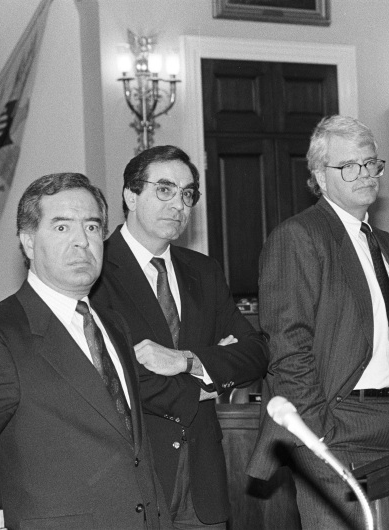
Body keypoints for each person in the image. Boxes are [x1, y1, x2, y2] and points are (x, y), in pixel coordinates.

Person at [0, 173, 168, 530]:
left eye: (92, 227)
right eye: (62, 228)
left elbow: (130, 446)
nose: (82, 242)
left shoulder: (115, 325)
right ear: (28, 241)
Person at [246, 115, 389, 529]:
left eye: (371, 163)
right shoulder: (300, 236)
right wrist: (317, 432)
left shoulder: (385, 243)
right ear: (321, 177)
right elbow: (287, 344)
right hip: (339, 428)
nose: (365, 175)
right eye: (349, 166)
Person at [90, 145, 268, 530]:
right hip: (131, 477)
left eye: (188, 194)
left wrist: (189, 361)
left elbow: (256, 352)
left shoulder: (202, 271)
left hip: (203, 480)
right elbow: (113, 378)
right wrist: (208, 381)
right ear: (131, 195)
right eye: (165, 189)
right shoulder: (95, 270)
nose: (179, 204)